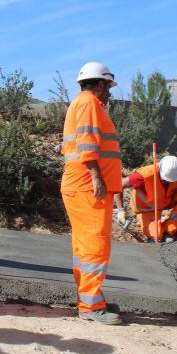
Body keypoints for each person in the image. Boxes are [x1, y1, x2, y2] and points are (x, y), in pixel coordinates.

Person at [60, 61, 123, 325]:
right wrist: (97, 177)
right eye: (108, 86)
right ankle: (90, 305)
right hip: (88, 186)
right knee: (95, 246)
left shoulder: (86, 104)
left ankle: (89, 297)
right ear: (99, 84)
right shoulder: (88, 104)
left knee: (85, 247)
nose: (110, 92)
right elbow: (87, 144)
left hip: (84, 185)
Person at [120, 155, 177, 242]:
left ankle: (169, 229)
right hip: (146, 208)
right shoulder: (144, 176)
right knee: (157, 234)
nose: (168, 182)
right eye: (165, 180)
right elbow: (120, 184)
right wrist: (120, 210)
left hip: (165, 201)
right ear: (160, 170)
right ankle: (160, 232)